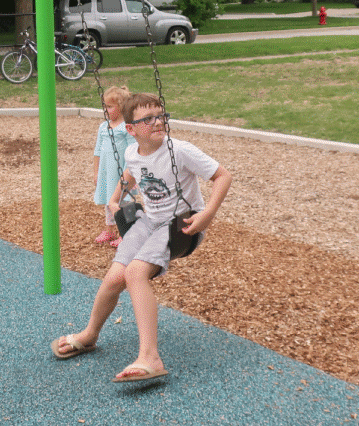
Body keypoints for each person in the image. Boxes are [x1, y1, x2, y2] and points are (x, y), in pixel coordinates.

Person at [51, 93, 233, 382]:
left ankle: (151, 357)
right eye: (148, 119)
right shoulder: (132, 152)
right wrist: (114, 199)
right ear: (131, 129)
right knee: (114, 278)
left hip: (180, 225)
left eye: (161, 115)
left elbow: (223, 175)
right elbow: (130, 175)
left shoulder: (179, 150)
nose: (157, 121)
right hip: (150, 221)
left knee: (135, 273)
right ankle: (89, 334)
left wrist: (207, 214)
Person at [92, 86, 132, 247]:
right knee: (109, 200)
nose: (106, 110)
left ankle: (127, 232)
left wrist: (128, 173)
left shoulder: (126, 127)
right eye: (105, 106)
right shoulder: (103, 127)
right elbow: (97, 151)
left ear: (121, 107)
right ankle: (109, 230)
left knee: (125, 201)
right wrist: (96, 172)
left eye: (109, 106)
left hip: (122, 172)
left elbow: (131, 152)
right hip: (106, 171)